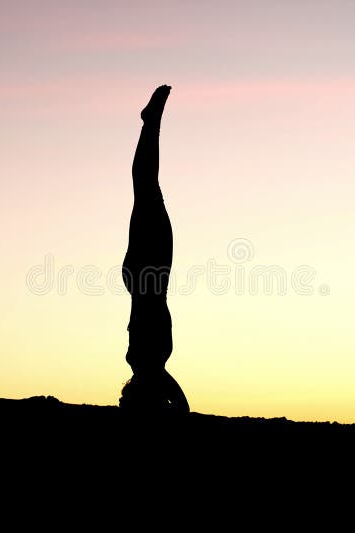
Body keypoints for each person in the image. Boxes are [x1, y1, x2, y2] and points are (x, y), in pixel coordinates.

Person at [119, 85, 189, 413]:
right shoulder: (148, 367)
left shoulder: (148, 365)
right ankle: (151, 123)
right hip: (145, 276)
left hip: (148, 274)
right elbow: (181, 404)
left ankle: (151, 123)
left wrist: (169, 404)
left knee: (146, 186)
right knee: (146, 187)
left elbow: (182, 405)